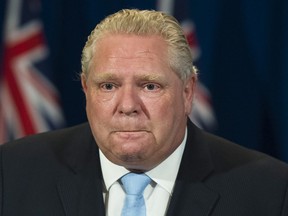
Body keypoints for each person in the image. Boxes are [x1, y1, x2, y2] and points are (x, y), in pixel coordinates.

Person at [1, 9, 288, 216]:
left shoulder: (269, 190)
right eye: (108, 85)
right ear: (87, 90)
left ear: (188, 92)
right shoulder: (13, 173)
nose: (127, 106)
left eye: (150, 86)